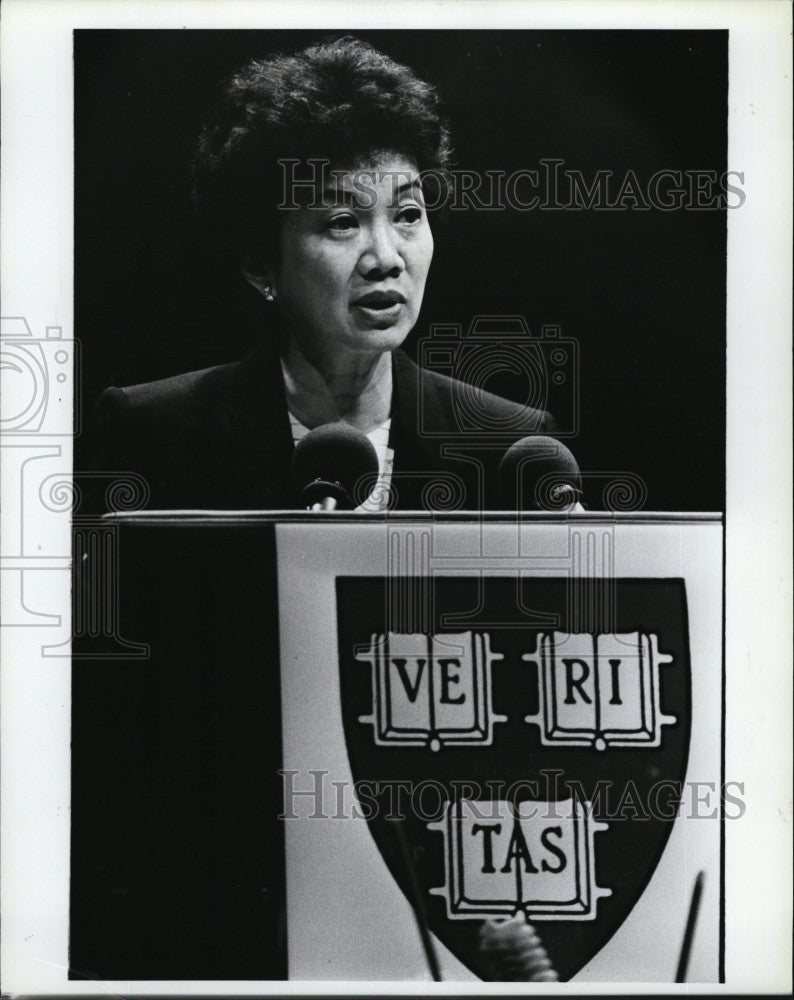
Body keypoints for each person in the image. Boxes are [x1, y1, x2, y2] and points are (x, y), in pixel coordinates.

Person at [89, 36, 560, 512]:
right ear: (261, 265)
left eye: (408, 214)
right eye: (342, 222)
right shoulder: (153, 433)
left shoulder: (508, 446)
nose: (386, 257)